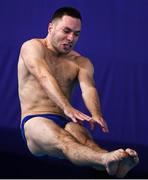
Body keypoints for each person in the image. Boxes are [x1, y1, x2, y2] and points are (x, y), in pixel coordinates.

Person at [18, 7, 139, 178]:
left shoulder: (81, 62)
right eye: (66, 31)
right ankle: (106, 160)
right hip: (35, 119)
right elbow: (43, 76)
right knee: (64, 140)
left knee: (88, 143)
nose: (71, 38)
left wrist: (96, 114)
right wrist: (66, 107)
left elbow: (88, 88)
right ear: (50, 27)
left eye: (76, 34)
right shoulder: (32, 47)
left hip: (65, 119)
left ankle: (116, 165)